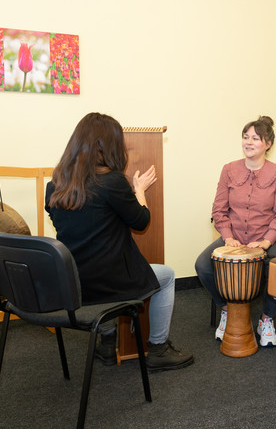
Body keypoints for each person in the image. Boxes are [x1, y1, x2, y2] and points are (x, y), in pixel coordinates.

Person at [45, 112, 193, 372]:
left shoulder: (55, 185)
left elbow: (65, 227)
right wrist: (139, 191)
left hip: (74, 283)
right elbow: (141, 221)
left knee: (105, 269)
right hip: (109, 285)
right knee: (167, 276)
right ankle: (158, 348)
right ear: (108, 145)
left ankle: (107, 341)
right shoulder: (112, 182)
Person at [195, 116, 276, 347]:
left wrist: (267, 242)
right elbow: (219, 210)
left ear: (268, 144)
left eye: (255, 138)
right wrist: (228, 237)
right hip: (234, 237)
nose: (248, 142)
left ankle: (266, 318)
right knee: (202, 264)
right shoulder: (228, 170)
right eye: (245, 137)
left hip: (268, 236)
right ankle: (227, 310)